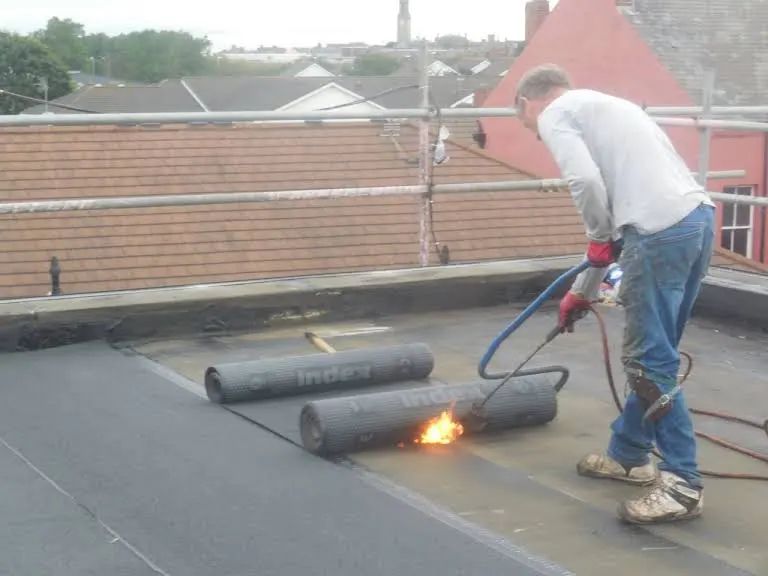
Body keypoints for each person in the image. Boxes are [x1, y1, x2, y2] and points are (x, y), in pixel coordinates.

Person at [514, 63, 715, 524]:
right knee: (657, 353)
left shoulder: (555, 112)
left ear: (528, 102)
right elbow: (607, 245)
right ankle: (628, 455)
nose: (541, 137)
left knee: (648, 361)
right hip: (695, 221)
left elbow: (585, 184)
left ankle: (682, 484)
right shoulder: (607, 106)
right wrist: (580, 294)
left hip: (658, 232)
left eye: (534, 131)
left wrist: (598, 235)